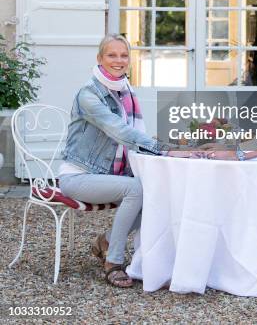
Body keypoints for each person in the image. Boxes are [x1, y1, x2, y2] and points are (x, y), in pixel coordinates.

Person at [59, 34, 187, 288]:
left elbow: (134, 134)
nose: (119, 60)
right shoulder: (88, 95)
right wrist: (163, 150)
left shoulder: (125, 91)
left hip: (109, 176)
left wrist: (172, 144)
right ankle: (113, 262)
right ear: (99, 59)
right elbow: (119, 130)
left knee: (159, 192)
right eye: (112, 55)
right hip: (78, 176)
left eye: (124, 55)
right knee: (136, 188)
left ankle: (106, 241)